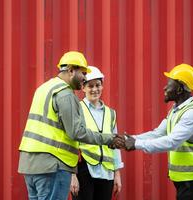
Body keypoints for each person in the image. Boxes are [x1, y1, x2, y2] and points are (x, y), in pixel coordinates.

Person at [18, 51, 124, 200]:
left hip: (30, 164)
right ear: (71, 70)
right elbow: (77, 132)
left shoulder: (43, 88)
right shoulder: (65, 94)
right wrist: (109, 139)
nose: (84, 78)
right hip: (52, 165)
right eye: (83, 73)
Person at [125, 64, 193, 200]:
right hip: (186, 180)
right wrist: (129, 139)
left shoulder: (192, 113)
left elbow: (172, 141)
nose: (165, 88)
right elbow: (158, 133)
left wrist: (136, 144)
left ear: (179, 89)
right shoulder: (176, 110)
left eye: (169, 84)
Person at [70, 66, 123, 200]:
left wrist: (117, 174)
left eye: (98, 85)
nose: (94, 89)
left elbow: (115, 146)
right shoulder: (78, 109)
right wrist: (72, 174)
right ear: (83, 88)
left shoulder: (111, 113)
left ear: (102, 86)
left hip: (106, 172)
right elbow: (71, 142)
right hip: (84, 170)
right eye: (90, 86)